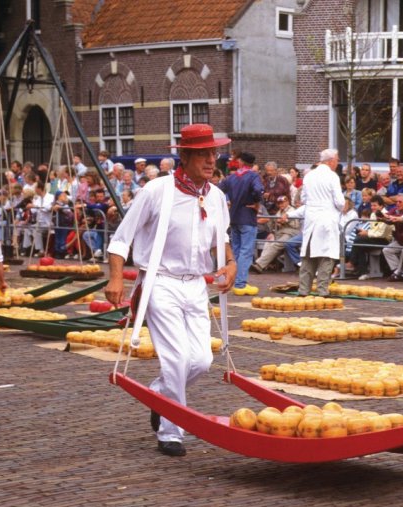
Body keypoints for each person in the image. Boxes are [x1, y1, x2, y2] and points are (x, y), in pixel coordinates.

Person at [104, 123, 236, 457]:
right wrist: (116, 277)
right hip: (160, 281)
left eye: (214, 153)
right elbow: (121, 238)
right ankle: (171, 431)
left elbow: (222, 241)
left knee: (203, 360)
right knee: (177, 358)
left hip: (196, 284)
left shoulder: (217, 196)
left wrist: (231, 264)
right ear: (186, 156)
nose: (211, 160)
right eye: (204, 154)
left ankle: (160, 394)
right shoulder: (156, 191)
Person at [298, 149, 345, 297]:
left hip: (311, 218)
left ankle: (303, 289)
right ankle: (322, 290)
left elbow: (303, 198)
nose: (337, 162)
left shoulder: (309, 175)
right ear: (331, 160)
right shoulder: (332, 177)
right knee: (327, 255)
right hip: (327, 218)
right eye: (337, 160)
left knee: (308, 255)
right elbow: (339, 201)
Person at [219, 151, 263, 295]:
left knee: (236, 250)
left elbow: (218, 189)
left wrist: (227, 201)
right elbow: (258, 190)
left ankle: (234, 280)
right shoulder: (253, 176)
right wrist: (256, 202)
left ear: (241, 162)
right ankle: (240, 283)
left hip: (234, 217)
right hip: (247, 217)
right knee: (246, 251)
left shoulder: (231, 177)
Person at [251, 194, 302, 273]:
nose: (281, 204)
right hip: (280, 233)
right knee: (269, 242)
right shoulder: (279, 211)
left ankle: (260, 265)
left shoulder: (292, 210)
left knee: (277, 244)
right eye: (279, 203)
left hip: (291, 232)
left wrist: (282, 222)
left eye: (283, 202)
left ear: (287, 202)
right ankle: (261, 264)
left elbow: (291, 223)